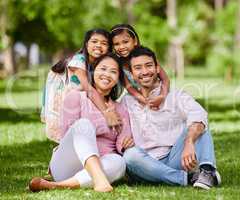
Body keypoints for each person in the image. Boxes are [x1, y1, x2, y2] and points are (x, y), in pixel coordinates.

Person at [29, 53, 134, 192]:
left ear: (118, 79)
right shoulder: (76, 97)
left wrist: (127, 143)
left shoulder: (120, 109)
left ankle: (57, 186)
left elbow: (122, 140)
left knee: (119, 162)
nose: (107, 74)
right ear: (93, 72)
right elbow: (67, 134)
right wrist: (103, 123)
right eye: (103, 69)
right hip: (68, 163)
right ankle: (98, 177)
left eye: (113, 71)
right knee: (83, 124)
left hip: (103, 163)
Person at [122, 46, 221, 190]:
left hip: (176, 158)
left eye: (149, 66)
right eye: (138, 68)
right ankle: (188, 178)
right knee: (130, 156)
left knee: (199, 123)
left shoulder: (175, 95)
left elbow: (199, 115)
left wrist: (189, 142)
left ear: (157, 68)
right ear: (131, 73)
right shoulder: (126, 101)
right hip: (145, 163)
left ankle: (207, 171)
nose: (144, 72)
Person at [53, 28, 122, 130]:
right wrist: (107, 113)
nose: (98, 45)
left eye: (104, 43)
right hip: (65, 94)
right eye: (94, 41)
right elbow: (89, 90)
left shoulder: (98, 64)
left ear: (108, 48)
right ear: (86, 44)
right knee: (65, 127)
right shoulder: (79, 60)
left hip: (81, 98)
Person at [110, 24, 170, 110]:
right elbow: (128, 86)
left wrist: (162, 96)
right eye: (116, 44)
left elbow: (165, 79)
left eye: (125, 42)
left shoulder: (145, 56)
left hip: (158, 91)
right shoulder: (119, 63)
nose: (122, 47)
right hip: (138, 96)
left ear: (135, 41)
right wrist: (145, 100)